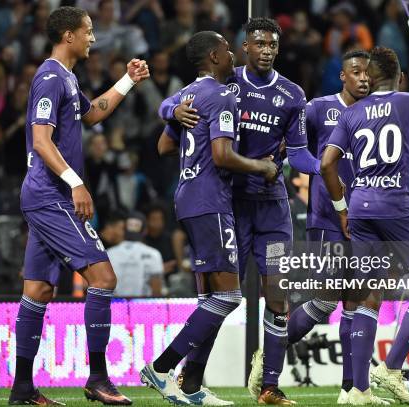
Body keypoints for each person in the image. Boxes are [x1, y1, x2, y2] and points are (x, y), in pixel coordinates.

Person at [160, 17, 321, 405]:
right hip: (230, 205)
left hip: (272, 209)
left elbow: (297, 154)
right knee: (220, 299)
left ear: (277, 49)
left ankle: (269, 386)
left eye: (272, 44)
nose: (266, 49)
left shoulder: (292, 94)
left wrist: (326, 168)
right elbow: (172, 100)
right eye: (258, 43)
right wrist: (171, 111)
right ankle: (189, 380)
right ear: (244, 47)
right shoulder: (224, 80)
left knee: (278, 295)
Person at [9, 6, 149, 405]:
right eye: (88, 31)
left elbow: (91, 116)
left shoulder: (66, 78)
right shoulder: (50, 76)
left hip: (44, 196)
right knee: (103, 278)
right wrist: (76, 183)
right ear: (68, 35)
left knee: (37, 289)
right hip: (51, 196)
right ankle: (98, 379)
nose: (93, 38)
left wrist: (127, 79)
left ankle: (22, 390)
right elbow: (40, 140)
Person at [140, 30, 277, 406]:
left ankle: (191, 386)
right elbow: (222, 155)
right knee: (229, 295)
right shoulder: (220, 96)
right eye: (227, 50)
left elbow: (164, 144)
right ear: (214, 57)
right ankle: (163, 366)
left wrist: (171, 112)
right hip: (211, 200)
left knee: (211, 299)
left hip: (188, 198)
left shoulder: (190, 95)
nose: (233, 55)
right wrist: (261, 166)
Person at [321, 46, 409, 405]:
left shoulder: (351, 112)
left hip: (359, 209)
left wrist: (341, 206)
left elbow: (327, 164)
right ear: (401, 76)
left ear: (370, 77)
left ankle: (358, 391)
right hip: (397, 207)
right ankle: (391, 368)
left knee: (367, 295)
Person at [287, 49, 370, 404]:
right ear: (343, 76)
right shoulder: (319, 108)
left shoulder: (374, 113)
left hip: (365, 218)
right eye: (356, 72)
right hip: (327, 218)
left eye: (368, 73)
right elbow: (293, 146)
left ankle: (350, 389)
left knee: (356, 300)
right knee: (327, 298)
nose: (363, 78)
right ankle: (268, 354)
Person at [106, 211, 164, 297]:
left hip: (116, 307)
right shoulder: (153, 254)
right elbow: (156, 292)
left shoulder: (108, 254)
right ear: (145, 231)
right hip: (143, 308)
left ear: (124, 229)